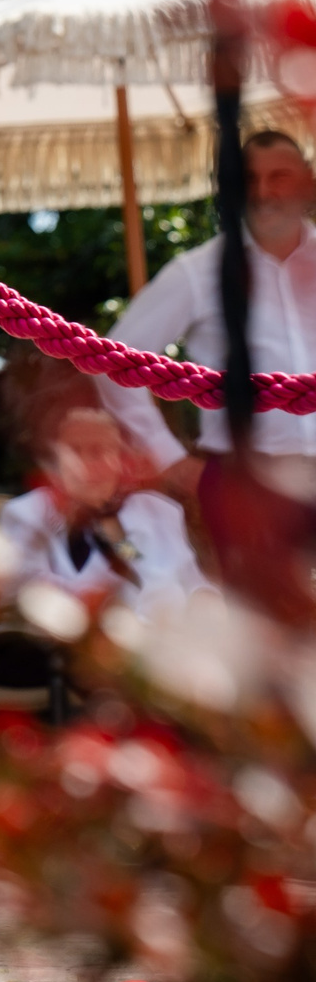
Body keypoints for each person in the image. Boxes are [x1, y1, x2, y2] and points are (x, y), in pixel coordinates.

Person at [98, 129, 316, 622]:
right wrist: (170, 459)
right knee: (259, 624)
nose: (263, 191)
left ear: (308, 182)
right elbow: (113, 366)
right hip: (245, 481)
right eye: (249, 179)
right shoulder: (198, 272)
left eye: (279, 177)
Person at [1, 365, 211, 621]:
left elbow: (192, 581)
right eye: (77, 451)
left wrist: (205, 602)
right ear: (54, 459)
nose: (90, 465)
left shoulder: (159, 512)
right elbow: (25, 595)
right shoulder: (29, 514)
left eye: (102, 450)